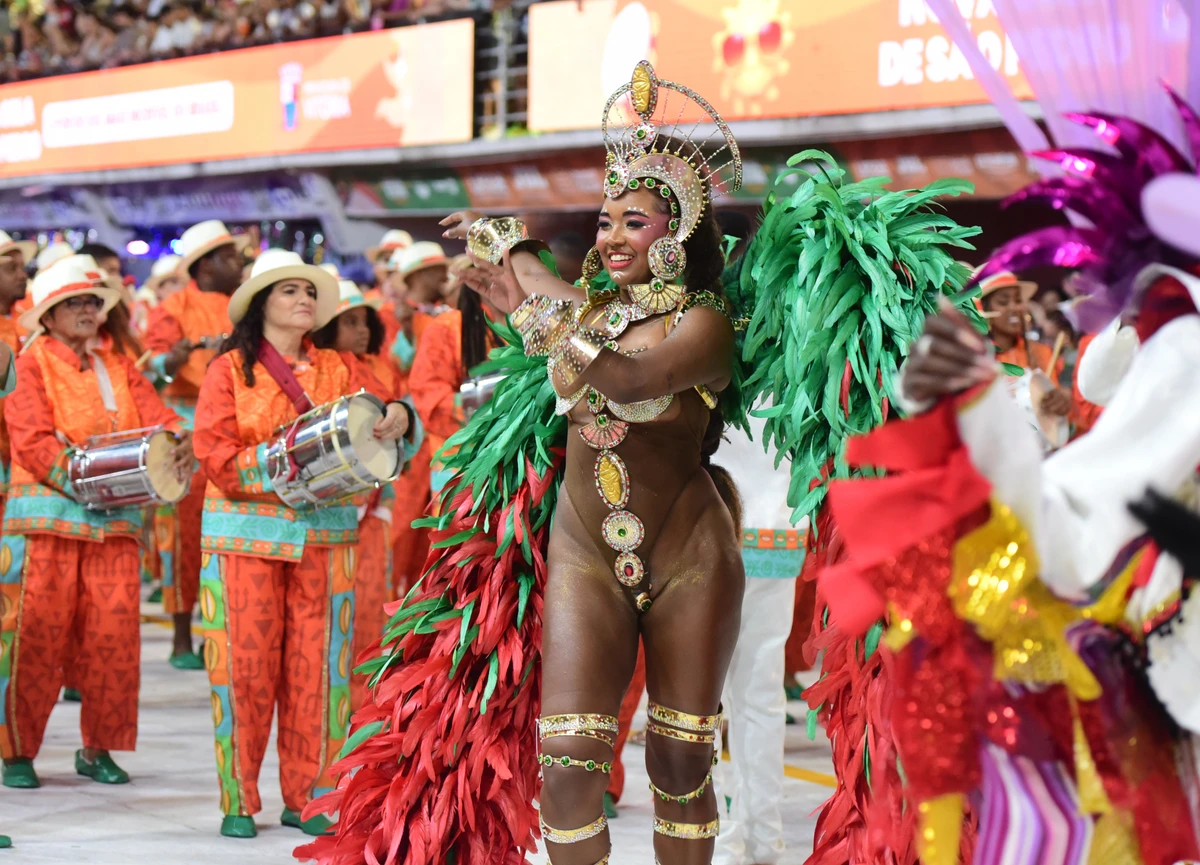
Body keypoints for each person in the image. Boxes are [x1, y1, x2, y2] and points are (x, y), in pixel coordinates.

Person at [192, 249, 418, 839]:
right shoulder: (228, 371)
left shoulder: (341, 366)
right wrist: (286, 469)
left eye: (309, 292)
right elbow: (213, 455)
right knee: (244, 669)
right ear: (262, 303)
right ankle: (238, 799)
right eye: (289, 291)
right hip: (247, 541)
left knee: (321, 673)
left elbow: (390, 410)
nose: (303, 301)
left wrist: (395, 414)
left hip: (326, 539)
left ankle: (310, 796)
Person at [0, 259, 192, 790]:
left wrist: (179, 445)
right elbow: (33, 442)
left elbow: (163, 420)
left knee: (112, 639)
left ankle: (98, 748)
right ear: (49, 315)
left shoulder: (119, 366)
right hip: (46, 526)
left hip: (114, 525)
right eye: (76, 303)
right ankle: (16, 751)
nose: (88, 311)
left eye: (93, 303)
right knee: (35, 636)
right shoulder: (29, 362)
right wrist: (93, 480)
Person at [310, 278, 421, 710]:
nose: (359, 330)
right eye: (348, 321)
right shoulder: (318, 367)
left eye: (364, 321)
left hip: (374, 511)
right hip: (329, 513)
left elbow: (407, 436)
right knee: (328, 614)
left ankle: (362, 707)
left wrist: (404, 416)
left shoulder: (381, 369)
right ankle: (327, 703)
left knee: (370, 608)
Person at [144, 220, 244, 669]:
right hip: (184, 422)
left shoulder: (246, 306)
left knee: (227, 533)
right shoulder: (173, 305)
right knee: (185, 534)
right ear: (204, 266)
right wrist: (176, 356)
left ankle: (221, 632)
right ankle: (183, 636)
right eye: (228, 258)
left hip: (234, 424)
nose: (238, 264)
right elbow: (153, 367)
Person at [711, 414, 804, 865]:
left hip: (710, 528)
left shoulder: (696, 342)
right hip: (778, 528)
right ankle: (765, 840)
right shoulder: (796, 344)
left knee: (698, 697)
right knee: (761, 697)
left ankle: (717, 837)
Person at [408, 279, 500, 500]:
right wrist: (500, 403)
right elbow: (431, 399)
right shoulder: (446, 326)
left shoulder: (531, 321)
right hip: (459, 465)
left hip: (516, 465)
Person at [0, 232, 33, 509]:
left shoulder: (24, 327)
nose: (23, 275)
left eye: (23, 268)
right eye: (11, 268)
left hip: (21, 458)